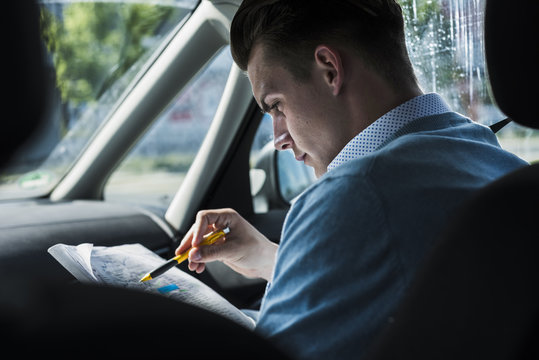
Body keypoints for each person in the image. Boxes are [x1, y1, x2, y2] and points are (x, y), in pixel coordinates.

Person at [175, 1, 528, 359]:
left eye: (277, 106)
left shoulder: (357, 194)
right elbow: (413, 280)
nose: (278, 138)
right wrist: (271, 259)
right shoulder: (501, 167)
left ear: (330, 69)